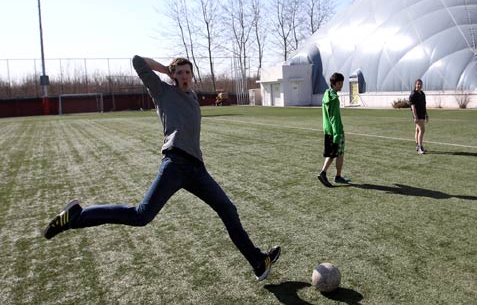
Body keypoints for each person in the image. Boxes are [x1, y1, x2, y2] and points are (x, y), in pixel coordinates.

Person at [43, 55, 280, 281]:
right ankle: (77, 216)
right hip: (175, 165)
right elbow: (137, 61)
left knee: (228, 209)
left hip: (197, 169)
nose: (185, 75)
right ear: (173, 76)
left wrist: (176, 72)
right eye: (179, 72)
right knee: (140, 216)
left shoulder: (193, 97)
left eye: (188, 72)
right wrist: (165, 70)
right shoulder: (163, 92)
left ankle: (258, 262)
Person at [317, 72, 351, 187]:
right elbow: (334, 118)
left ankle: (336, 175)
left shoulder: (327, 94)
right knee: (335, 153)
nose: (341, 86)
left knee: (335, 154)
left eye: (342, 83)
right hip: (336, 131)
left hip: (327, 130)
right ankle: (325, 173)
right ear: (334, 84)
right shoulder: (334, 99)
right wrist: (337, 135)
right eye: (340, 83)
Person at [409, 78, 428, 154]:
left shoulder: (422, 94)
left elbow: (424, 105)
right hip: (417, 115)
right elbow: (413, 106)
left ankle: (418, 146)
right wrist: (415, 116)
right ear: (415, 85)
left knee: (417, 130)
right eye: (418, 84)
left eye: (420, 84)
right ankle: (420, 147)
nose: (419, 85)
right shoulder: (413, 94)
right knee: (422, 130)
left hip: (422, 114)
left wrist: (426, 114)